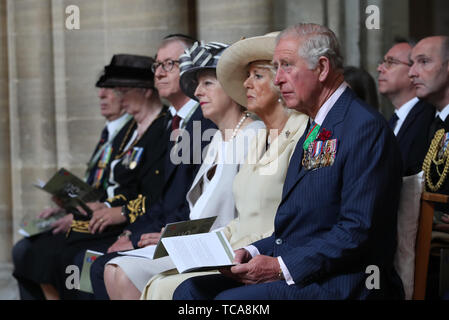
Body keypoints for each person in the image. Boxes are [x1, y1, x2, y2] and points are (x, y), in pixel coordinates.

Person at [173, 23, 404, 300]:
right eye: (276, 67)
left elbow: (358, 231)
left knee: (229, 302)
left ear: (321, 68)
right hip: (306, 271)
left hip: (346, 281)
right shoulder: (316, 125)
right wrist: (254, 251)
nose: (278, 79)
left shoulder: (363, 127)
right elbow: (297, 226)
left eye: (286, 66)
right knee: (190, 291)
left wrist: (279, 267)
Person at [140, 32, 309, 300]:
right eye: (246, 76)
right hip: (231, 248)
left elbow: (298, 216)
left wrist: (246, 251)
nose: (245, 85)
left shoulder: (299, 132)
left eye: (257, 76)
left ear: (279, 83)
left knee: (165, 286)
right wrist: (192, 243)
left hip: (262, 255)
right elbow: (239, 217)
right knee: (147, 279)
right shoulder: (259, 137)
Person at [102, 41, 266, 300]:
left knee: (121, 271)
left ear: (232, 86)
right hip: (196, 241)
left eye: (208, 83)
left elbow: (252, 215)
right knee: (112, 268)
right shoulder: (217, 138)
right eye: (197, 84)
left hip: (225, 246)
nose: (198, 91)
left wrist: (184, 241)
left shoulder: (254, 135)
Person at [89, 34, 217, 299]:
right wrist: (130, 233)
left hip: (188, 234)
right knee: (86, 262)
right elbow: (164, 199)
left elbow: (196, 202)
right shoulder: (174, 123)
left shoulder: (202, 125)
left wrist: (136, 236)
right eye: (156, 66)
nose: (159, 73)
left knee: (98, 265)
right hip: (156, 226)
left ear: (190, 69)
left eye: (169, 64)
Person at [11, 56, 135, 300]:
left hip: (113, 223)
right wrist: (67, 203)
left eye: (109, 90)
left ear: (127, 93)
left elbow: (126, 191)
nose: (101, 96)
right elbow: (97, 186)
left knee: (60, 257)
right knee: (23, 249)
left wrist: (78, 213)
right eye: (101, 90)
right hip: (92, 215)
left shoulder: (134, 130)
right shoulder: (109, 131)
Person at [409, 36, 449, 299]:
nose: (412, 72)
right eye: (412, 63)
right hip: (432, 254)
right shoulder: (434, 123)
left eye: (424, 62)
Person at [377, 40, 435, 176]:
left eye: (391, 62)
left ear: (412, 70)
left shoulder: (428, 117)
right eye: (383, 62)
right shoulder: (391, 120)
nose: (380, 68)